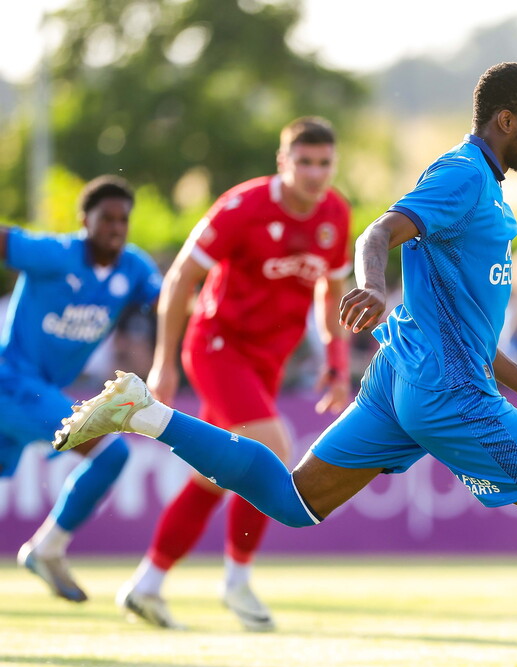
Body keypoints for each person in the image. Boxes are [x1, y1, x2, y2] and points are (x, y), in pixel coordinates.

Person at [53, 62, 517, 667]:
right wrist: (370, 283)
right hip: (447, 395)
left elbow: (459, 315)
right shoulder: (463, 174)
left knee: (293, 501)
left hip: (402, 377)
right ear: (507, 119)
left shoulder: (479, 185)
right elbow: (379, 232)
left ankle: (147, 413)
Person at [116, 116, 352, 631]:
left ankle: (148, 584)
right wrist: (163, 362)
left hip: (268, 361)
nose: (314, 174)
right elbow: (181, 278)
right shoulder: (242, 207)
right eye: (304, 162)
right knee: (272, 447)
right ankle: (237, 580)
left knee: (212, 477)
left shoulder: (335, 213)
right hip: (216, 346)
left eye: (324, 163)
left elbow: (331, 296)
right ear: (283, 162)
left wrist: (337, 363)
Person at [6, 175, 162, 601]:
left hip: (37, 390)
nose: (115, 227)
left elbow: (168, 304)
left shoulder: (134, 267)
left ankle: (48, 548)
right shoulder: (56, 254)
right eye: (106, 218)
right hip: (14, 383)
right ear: (84, 220)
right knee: (112, 452)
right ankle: (48, 548)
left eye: (122, 220)